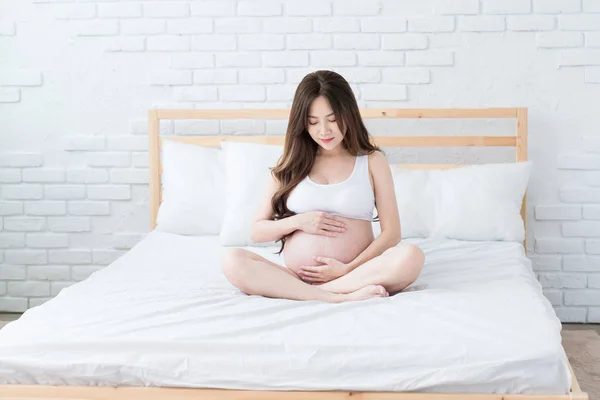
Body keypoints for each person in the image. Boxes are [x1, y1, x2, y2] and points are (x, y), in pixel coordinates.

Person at [221, 70, 425, 303]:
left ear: (348, 115)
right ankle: (337, 296)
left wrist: (347, 268)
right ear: (302, 123)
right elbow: (257, 231)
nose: (324, 131)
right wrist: (300, 221)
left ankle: (327, 289)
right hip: (296, 276)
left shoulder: (371, 161)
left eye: (333, 120)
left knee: (411, 256)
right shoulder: (290, 164)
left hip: (354, 272)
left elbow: (392, 234)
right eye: (313, 122)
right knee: (232, 260)